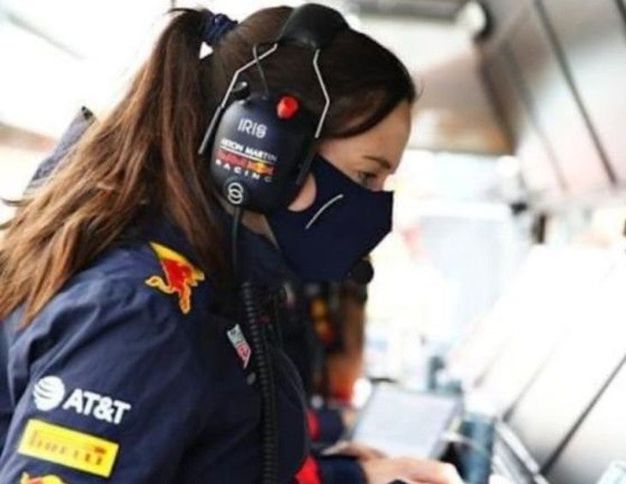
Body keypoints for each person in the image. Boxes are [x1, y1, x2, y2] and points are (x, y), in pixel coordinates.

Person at [0, 5, 461, 483]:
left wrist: (345, 476)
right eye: (366, 175)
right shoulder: (140, 315)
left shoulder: (221, 282)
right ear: (268, 151)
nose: (375, 204)